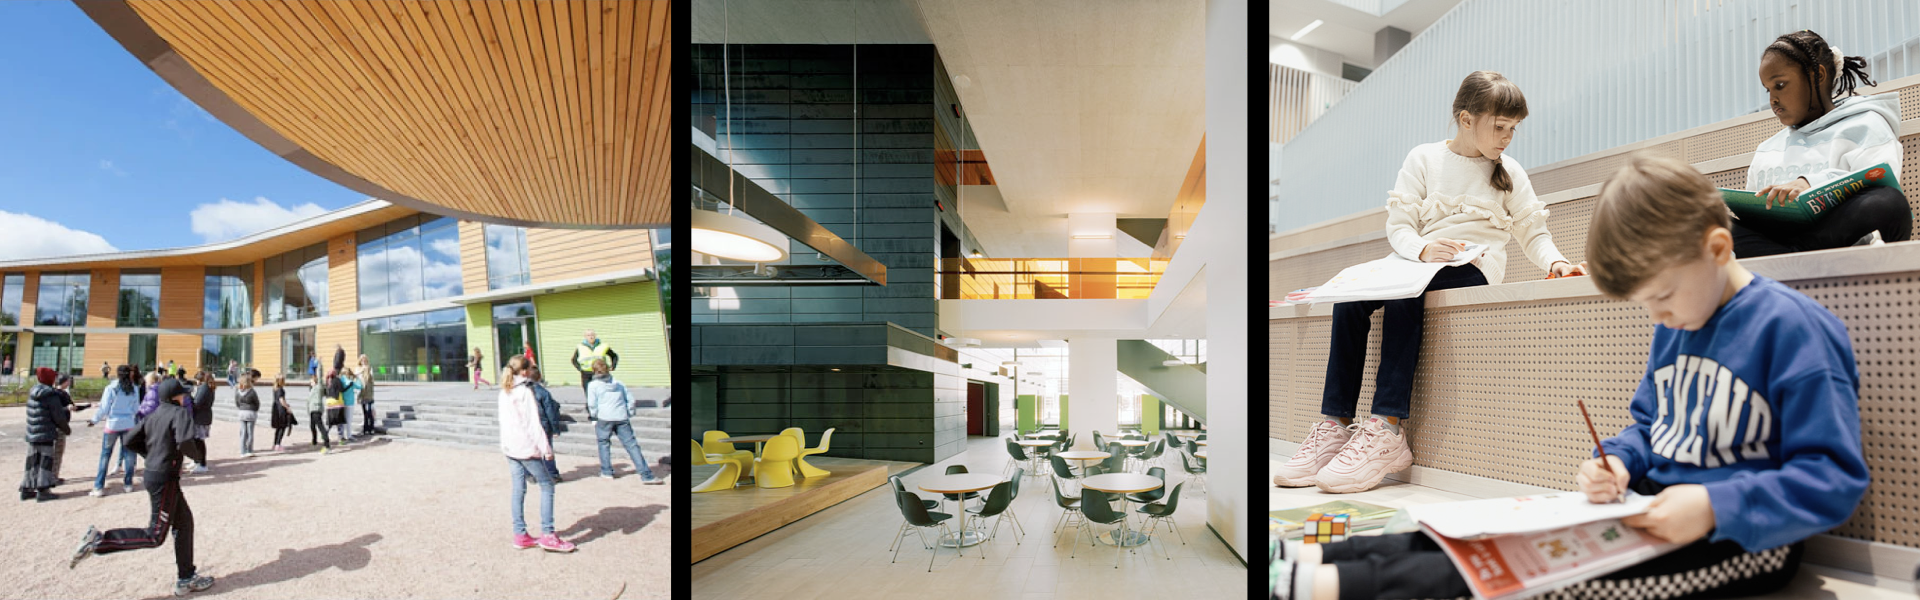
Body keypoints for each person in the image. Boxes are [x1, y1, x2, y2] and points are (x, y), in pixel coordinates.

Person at [1272, 153, 1867, 600]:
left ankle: (1330, 587)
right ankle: (1312, 560)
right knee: (1480, 533)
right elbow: (1649, 424)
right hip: (1645, 506)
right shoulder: (1682, 314)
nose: (1658, 318)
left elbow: (1832, 478)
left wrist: (1714, 504)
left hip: (1740, 541)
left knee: (1530, 578)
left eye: (1660, 297)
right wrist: (1620, 460)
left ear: (1717, 249)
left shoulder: (1794, 332)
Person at [1273, 71, 1585, 495]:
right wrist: (1421, 250)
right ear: (1465, 118)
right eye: (1499, 127)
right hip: (1417, 258)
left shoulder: (1509, 171)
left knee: (1407, 295)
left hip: (1475, 264)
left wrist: (1558, 262)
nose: (1508, 137)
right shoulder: (1423, 158)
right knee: (1351, 299)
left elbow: (1533, 231)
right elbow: (1399, 226)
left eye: (1514, 129)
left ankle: (1386, 427)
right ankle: (1335, 425)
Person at [1733, 30, 1912, 257]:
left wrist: (1809, 184)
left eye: (1780, 85)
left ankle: (1788, 263)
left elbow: (1879, 182)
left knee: (1888, 203)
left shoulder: (1867, 125)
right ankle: (1794, 261)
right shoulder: (1767, 149)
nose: (1772, 99)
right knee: (1709, 225)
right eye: (1768, 90)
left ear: (1818, 75)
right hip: (1777, 241)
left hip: (1833, 235)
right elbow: (1753, 219)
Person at [69, 377, 217, 596]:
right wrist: (197, 458)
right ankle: (100, 541)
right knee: (155, 535)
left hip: (156, 474)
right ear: (175, 397)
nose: (185, 396)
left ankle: (186, 577)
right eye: (182, 393)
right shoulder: (180, 413)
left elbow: (129, 440)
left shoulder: (154, 414)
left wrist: (150, 455)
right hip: (165, 477)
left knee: (184, 524)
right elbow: (186, 441)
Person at [498, 355, 574, 552]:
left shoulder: (504, 391)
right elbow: (533, 424)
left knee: (518, 488)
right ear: (524, 372)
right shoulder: (524, 392)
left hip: (510, 447)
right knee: (547, 485)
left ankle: (520, 534)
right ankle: (548, 534)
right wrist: (546, 449)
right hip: (525, 446)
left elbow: (504, 422)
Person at [585, 359, 663, 484]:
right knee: (632, 445)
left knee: (603, 443)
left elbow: (592, 404)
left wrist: (594, 416)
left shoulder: (593, 385)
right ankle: (646, 474)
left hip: (604, 417)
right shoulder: (619, 383)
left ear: (594, 370)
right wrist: (629, 412)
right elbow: (630, 400)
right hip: (621, 416)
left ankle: (606, 471)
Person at [89, 365, 142, 497]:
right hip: (128, 424)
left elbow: (104, 408)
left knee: (105, 455)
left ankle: (98, 486)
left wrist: (94, 420)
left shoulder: (111, 388)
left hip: (112, 424)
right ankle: (128, 483)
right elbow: (136, 409)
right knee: (129, 454)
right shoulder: (134, 389)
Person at [19, 368, 68, 501]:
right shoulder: (50, 395)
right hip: (46, 432)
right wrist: (66, 429)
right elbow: (58, 416)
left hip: (32, 433)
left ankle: (26, 489)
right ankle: (43, 490)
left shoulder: (32, 392)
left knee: (32, 462)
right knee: (45, 462)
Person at [527, 365, 564, 482]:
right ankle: (552, 474)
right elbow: (550, 412)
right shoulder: (543, 393)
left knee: (532, 449)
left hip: (529, 425)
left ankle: (530, 474)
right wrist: (555, 428)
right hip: (543, 424)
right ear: (539, 377)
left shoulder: (523, 392)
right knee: (547, 449)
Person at [569, 330, 618, 399]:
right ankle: (591, 408)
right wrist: (580, 369)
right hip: (586, 374)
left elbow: (614, 356)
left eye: (592, 335)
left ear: (595, 336)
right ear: (585, 337)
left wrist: (613, 366)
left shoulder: (603, 346)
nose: (591, 337)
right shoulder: (580, 347)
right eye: (588, 335)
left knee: (603, 392)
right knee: (589, 394)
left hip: (600, 373)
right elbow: (574, 360)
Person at [184, 372, 214, 474]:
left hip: (201, 418)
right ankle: (197, 461)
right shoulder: (207, 387)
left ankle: (202, 464)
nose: (196, 382)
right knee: (197, 441)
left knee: (199, 441)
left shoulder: (204, 388)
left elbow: (197, 403)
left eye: (196, 380)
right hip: (204, 416)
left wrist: (189, 399)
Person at [233, 374, 260, 458]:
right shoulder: (252, 391)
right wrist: (255, 409)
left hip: (241, 412)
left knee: (243, 432)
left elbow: (237, 402)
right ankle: (249, 450)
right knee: (250, 432)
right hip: (251, 412)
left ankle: (242, 451)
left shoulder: (238, 391)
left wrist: (241, 408)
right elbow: (257, 403)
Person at [308, 368, 332, 455]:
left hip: (317, 409)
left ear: (315, 381)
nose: (310, 382)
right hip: (312, 410)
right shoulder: (312, 390)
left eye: (311, 381)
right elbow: (309, 401)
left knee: (320, 427)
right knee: (312, 426)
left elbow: (320, 378)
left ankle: (327, 444)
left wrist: (320, 366)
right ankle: (314, 441)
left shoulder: (318, 388)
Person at [270, 374, 296, 452]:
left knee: (278, 428)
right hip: (281, 410)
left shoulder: (274, 389)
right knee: (282, 427)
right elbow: (281, 400)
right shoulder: (280, 389)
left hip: (276, 409)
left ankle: (275, 444)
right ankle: (278, 444)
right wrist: (287, 408)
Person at [356, 354, 380, 436]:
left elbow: (372, 380)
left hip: (369, 393)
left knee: (369, 411)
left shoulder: (369, 368)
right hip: (361, 392)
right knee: (364, 412)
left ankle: (371, 428)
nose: (363, 361)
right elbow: (356, 376)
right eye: (362, 360)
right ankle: (365, 428)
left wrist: (366, 370)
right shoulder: (358, 369)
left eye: (365, 360)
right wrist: (362, 370)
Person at [337, 367, 361, 444]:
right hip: (350, 402)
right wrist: (357, 378)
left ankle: (342, 436)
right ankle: (349, 435)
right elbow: (360, 386)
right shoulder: (350, 382)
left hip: (342, 402)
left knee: (343, 421)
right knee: (349, 420)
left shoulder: (340, 381)